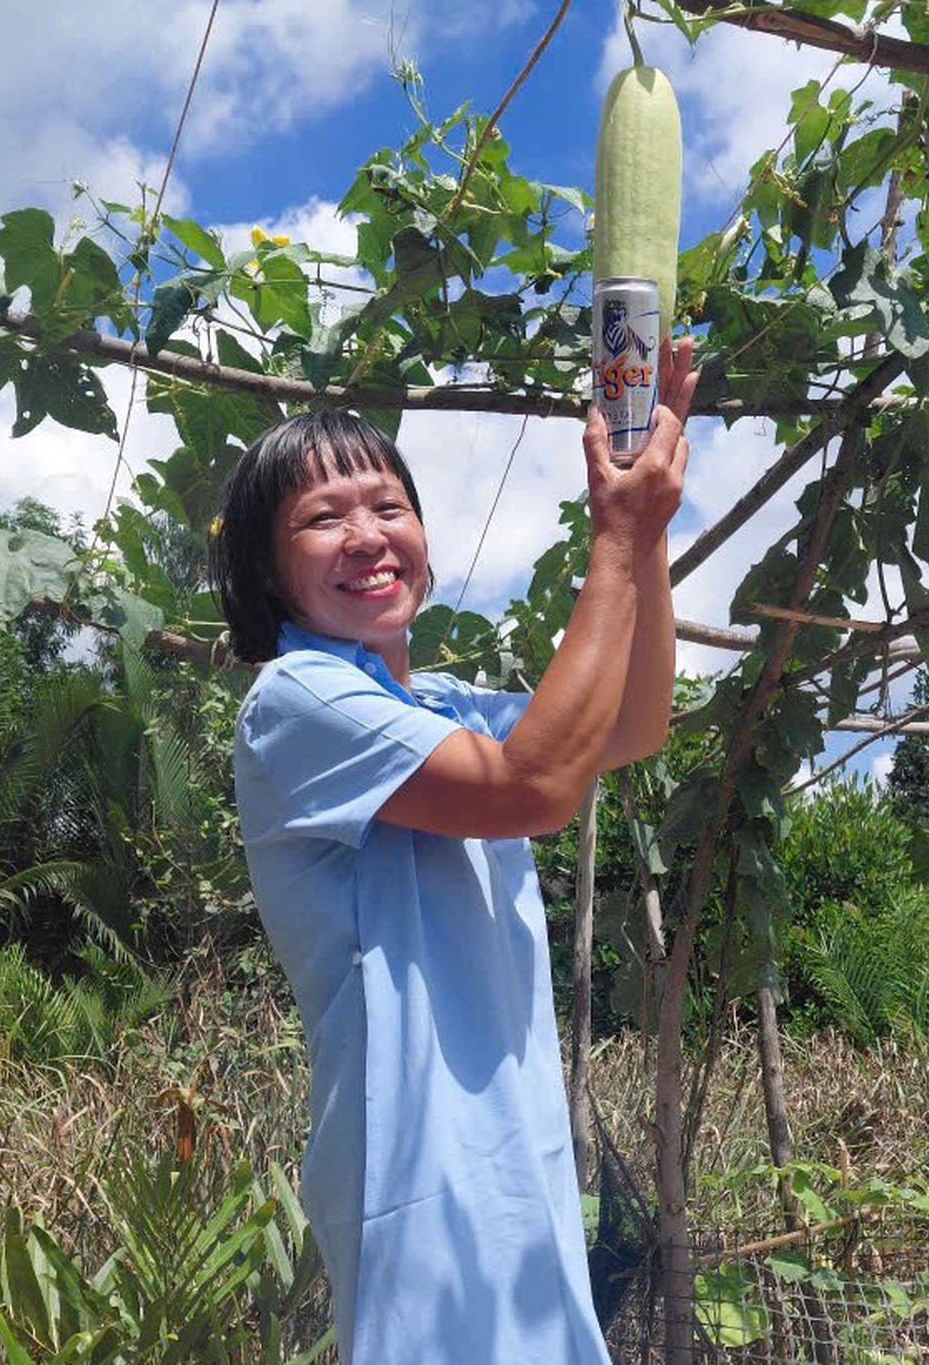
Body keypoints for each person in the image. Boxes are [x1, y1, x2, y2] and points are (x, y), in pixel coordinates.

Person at [210, 338, 699, 1365]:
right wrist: (615, 534)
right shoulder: (297, 701)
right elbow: (533, 789)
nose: (367, 535)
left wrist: (643, 521)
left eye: (388, 506)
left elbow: (634, 722)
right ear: (266, 568)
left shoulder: (442, 708)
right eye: (321, 518)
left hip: (517, 1174)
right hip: (418, 1183)